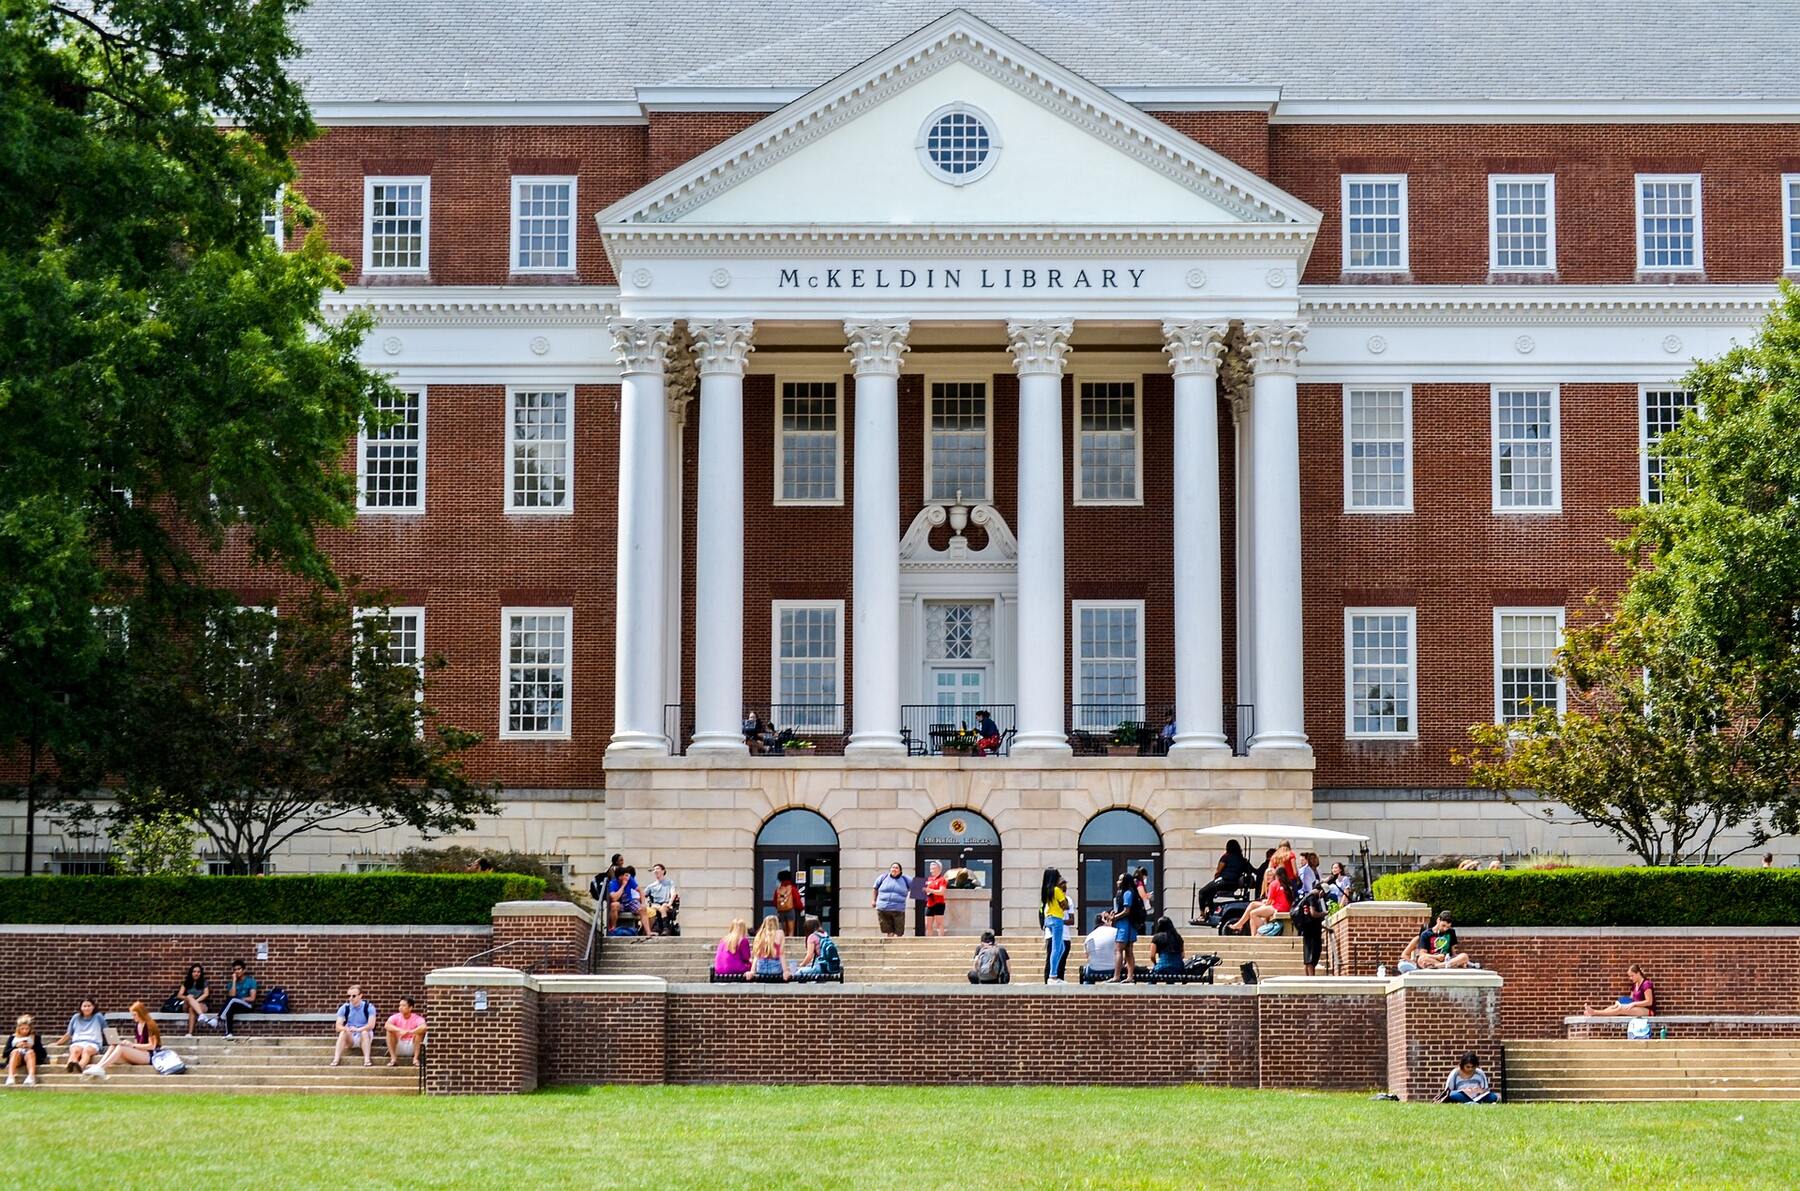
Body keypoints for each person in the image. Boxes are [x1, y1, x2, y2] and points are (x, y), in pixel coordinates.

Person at [83, 1001, 158, 1079]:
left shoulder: (150, 1025)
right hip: (140, 1054)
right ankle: (99, 1066)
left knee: (120, 1048)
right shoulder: (138, 1025)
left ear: (141, 1013)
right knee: (113, 1046)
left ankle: (100, 1068)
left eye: (135, 1015)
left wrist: (132, 1045)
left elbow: (152, 1046)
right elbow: (138, 1044)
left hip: (149, 1055)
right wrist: (128, 1045)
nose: (133, 1017)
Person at [1225, 864, 1290, 935]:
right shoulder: (1286, 883)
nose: (1268, 877)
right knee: (1252, 907)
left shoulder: (1274, 884)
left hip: (1277, 907)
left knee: (1253, 913)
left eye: (1271, 875)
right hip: (1281, 906)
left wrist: (1264, 904)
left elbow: (1269, 901)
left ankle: (1265, 930)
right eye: (1267, 875)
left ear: (1275, 875)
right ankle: (1253, 936)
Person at [1105, 871, 1146, 982]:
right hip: (1128, 925)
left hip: (1125, 925)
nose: (1117, 882)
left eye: (1120, 880)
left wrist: (1115, 917)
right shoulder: (1125, 893)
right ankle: (1129, 976)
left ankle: (1117, 976)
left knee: (1119, 950)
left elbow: (1126, 911)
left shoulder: (1127, 893)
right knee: (1128, 951)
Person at [203, 959, 258, 1040]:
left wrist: (241, 999)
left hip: (248, 1006)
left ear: (244, 970)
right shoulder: (231, 983)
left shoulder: (251, 981)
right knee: (230, 1008)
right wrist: (234, 981)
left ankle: (218, 1019)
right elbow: (232, 996)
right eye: (235, 969)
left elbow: (252, 998)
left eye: (239, 969)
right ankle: (229, 1033)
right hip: (236, 1005)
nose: (237, 971)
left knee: (233, 1000)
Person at [1399, 913, 1472, 971]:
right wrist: (1436, 956)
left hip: (1446, 960)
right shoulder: (1425, 934)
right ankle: (1450, 966)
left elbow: (1453, 953)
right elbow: (1421, 953)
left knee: (1464, 956)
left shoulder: (1451, 932)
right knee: (1422, 959)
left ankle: (1440, 966)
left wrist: (1457, 959)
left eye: (1448, 927)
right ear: (1438, 920)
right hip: (1433, 959)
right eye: (1443, 925)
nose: (1445, 929)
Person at [1195, 839, 1256, 909]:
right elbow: (1253, 870)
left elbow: (1218, 871)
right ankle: (1210, 909)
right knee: (1211, 891)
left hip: (1224, 882)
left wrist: (1215, 880)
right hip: (1234, 885)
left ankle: (1203, 914)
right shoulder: (1243, 860)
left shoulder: (1226, 857)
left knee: (1202, 892)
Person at [332, 985, 380, 1067]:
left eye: (353, 996)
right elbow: (338, 1027)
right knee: (343, 1032)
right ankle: (336, 1059)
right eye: (349, 996)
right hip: (351, 1036)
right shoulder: (344, 1008)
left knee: (364, 1032)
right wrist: (346, 1029)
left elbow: (371, 1025)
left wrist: (358, 1029)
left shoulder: (369, 1007)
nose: (350, 998)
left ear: (361, 995)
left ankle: (367, 1059)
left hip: (364, 1035)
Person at [55, 999, 107, 1073]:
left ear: (93, 1007)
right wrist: (58, 1043)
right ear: (81, 1008)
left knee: (86, 1051)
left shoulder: (98, 1016)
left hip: (93, 1042)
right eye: (84, 1006)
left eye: (89, 1006)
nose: (87, 1008)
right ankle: (70, 1065)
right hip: (78, 1042)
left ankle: (80, 1066)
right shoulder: (76, 1017)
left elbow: (106, 1030)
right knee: (75, 1051)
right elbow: (69, 1033)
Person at [1586, 963, 1656, 1017]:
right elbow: (1630, 999)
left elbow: (1649, 1002)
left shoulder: (1646, 984)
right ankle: (1595, 1013)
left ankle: (1594, 1012)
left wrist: (1634, 1004)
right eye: (1629, 976)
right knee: (1615, 1006)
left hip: (1648, 1010)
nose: (1630, 978)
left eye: (1632, 976)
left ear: (1638, 973)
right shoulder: (1634, 985)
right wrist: (1620, 1002)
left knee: (1621, 1009)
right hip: (1635, 1008)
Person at [1040, 868, 1070, 984]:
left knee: (1061, 947)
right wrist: (1063, 889)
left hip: (1049, 919)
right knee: (1056, 948)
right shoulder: (1057, 890)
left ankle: (1054, 973)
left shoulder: (1046, 890)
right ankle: (1053, 976)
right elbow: (1065, 906)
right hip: (1057, 919)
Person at [1292, 881, 1328, 975]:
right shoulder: (1312, 898)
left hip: (1308, 930)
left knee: (1308, 957)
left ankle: (1307, 977)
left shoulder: (1307, 897)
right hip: (1312, 932)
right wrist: (1323, 913)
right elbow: (1313, 914)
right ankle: (1311, 978)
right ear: (1321, 891)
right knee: (1311, 957)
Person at [4, 1015, 47, 1087]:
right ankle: (11, 1077)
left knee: (30, 1052)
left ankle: (31, 1077)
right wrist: (16, 1046)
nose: (24, 1031)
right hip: (17, 1058)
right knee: (15, 1052)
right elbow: (5, 1054)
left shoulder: (35, 1037)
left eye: (27, 1029)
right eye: (22, 1029)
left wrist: (32, 1047)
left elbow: (43, 1054)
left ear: (30, 1029)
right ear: (18, 1028)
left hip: (29, 1057)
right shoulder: (12, 1037)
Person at [385, 997, 428, 1066]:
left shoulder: (417, 1018)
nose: (400, 1008)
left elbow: (424, 1027)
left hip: (412, 1045)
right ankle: (393, 1059)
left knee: (419, 1033)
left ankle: (415, 1059)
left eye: (403, 1006)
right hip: (398, 1044)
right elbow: (387, 1025)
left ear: (410, 1008)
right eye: (400, 1005)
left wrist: (409, 1032)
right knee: (389, 1032)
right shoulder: (395, 1017)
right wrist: (400, 1030)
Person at [871, 861, 910, 937]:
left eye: (896, 868)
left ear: (900, 870)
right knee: (888, 930)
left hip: (898, 909)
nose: (894, 869)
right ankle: (889, 944)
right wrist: (873, 900)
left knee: (899, 931)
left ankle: (896, 946)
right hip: (883, 908)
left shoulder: (905, 879)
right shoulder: (883, 877)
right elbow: (875, 888)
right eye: (893, 867)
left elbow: (918, 887)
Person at [174, 963, 210, 1036]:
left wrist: (195, 1002)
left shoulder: (204, 982)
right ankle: (202, 1015)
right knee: (190, 997)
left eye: (198, 972)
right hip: (186, 1004)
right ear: (191, 973)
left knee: (192, 1008)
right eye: (194, 971)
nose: (196, 973)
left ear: (201, 973)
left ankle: (190, 1033)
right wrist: (188, 998)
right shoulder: (186, 982)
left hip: (200, 1003)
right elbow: (179, 995)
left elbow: (206, 994)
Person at [750, 915, 789, 981]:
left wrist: (752, 971)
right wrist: (785, 971)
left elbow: (756, 955)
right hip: (775, 968)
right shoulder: (780, 933)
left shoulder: (760, 934)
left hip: (761, 968)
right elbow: (781, 954)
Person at [644, 863, 679, 935]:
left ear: (663, 871)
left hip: (666, 904)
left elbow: (673, 893)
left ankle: (666, 928)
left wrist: (670, 903)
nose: (655, 871)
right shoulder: (651, 886)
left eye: (657, 869)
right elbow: (643, 895)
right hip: (655, 905)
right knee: (655, 907)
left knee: (663, 907)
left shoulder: (669, 882)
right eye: (654, 870)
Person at [773, 869, 806, 936]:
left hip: (781, 911)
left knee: (784, 930)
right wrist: (801, 908)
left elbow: (774, 902)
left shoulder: (778, 889)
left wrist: (780, 907)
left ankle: (783, 943)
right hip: (790, 910)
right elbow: (797, 901)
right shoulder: (792, 888)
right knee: (791, 930)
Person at [923, 861, 949, 937]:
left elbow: (941, 892)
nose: (931, 870)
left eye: (934, 868)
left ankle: (940, 940)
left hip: (939, 903)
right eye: (931, 868)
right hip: (929, 903)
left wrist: (931, 890)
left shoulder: (942, 879)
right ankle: (928, 941)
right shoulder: (929, 879)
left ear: (939, 869)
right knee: (928, 924)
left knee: (939, 923)